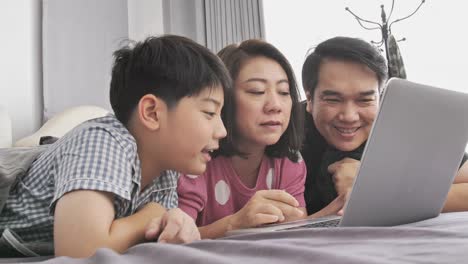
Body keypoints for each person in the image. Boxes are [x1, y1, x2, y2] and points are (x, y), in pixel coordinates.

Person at [0, 35, 231, 258]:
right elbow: (81, 253)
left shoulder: (165, 172)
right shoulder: (102, 141)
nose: (222, 131)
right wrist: (152, 214)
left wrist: (176, 224)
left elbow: (151, 239)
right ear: (152, 113)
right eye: (209, 113)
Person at [301, 36, 468, 215]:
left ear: (380, 98)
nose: (349, 116)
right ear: (309, 99)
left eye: (365, 100)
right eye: (333, 100)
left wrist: (380, 190)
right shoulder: (283, 131)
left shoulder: (402, 127)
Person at [177, 39, 312, 239]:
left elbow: (296, 232)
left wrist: (334, 212)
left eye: (284, 92)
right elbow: (174, 240)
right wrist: (235, 223)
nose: (275, 105)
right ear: (222, 98)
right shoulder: (194, 161)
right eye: (257, 91)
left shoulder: (290, 161)